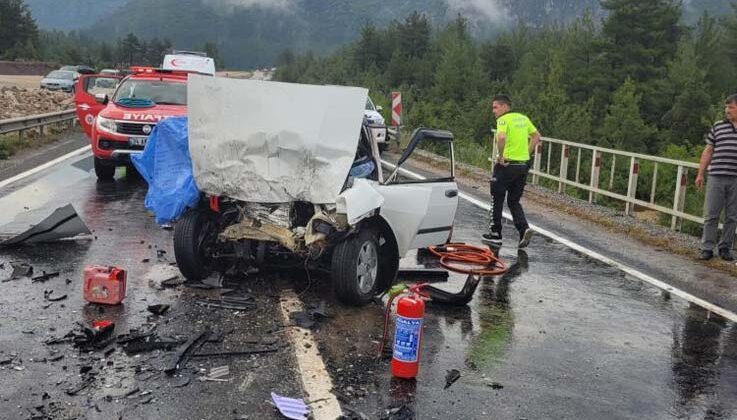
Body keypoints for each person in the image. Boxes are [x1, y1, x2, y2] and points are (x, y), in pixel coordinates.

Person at [482, 95, 540, 248]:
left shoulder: (503, 120)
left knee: (497, 197)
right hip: (522, 166)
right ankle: (524, 229)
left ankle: (495, 234)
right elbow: (536, 137)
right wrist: (526, 155)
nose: (493, 111)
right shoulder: (523, 118)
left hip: (506, 165)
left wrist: (500, 156)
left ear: (505, 107)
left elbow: (501, 138)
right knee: (514, 201)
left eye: (495, 107)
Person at [695, 94, 737, 261]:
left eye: (731, 107)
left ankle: (725, 248)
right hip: (716, 176)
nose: (727, 110)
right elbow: (708, 151)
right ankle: (707, 248)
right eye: (726, 107)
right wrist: (700, 173)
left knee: (732, 216)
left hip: (736, 179)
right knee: (711, 214)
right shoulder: (718, 126)